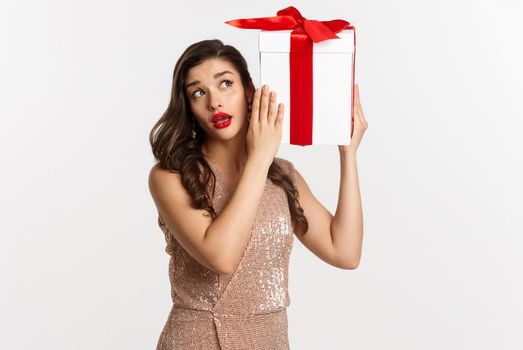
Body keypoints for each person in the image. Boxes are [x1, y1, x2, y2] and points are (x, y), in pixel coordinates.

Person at [148, 38, 368, 349]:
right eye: (199, 92)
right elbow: (221, 256)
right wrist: (260, 157)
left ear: (250, 90)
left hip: (269, 340)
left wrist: (349, 155)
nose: (215, 102)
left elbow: (345, 252)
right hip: (198, 339)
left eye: (226, 84)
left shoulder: (282, 175)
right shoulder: (170, 177)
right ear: (189, 107)